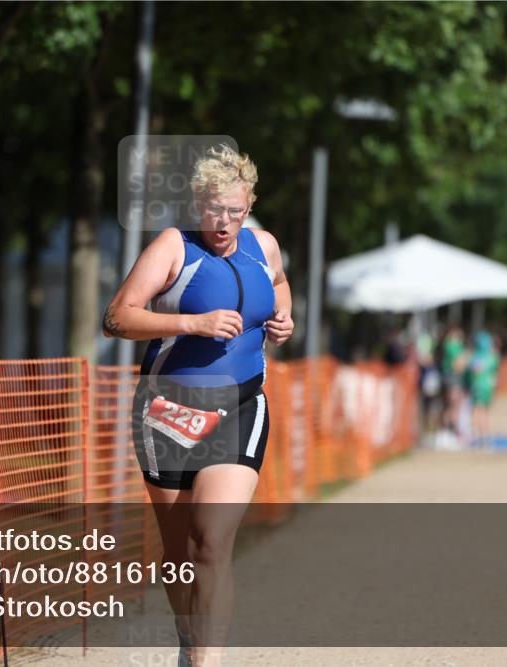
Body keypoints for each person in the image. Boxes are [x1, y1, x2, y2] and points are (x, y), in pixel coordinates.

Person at [102, 144, 292, 666]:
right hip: (168, 411)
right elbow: (117, 318)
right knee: (180, 558)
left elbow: (278, 287)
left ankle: (205, 661)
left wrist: (284, 320)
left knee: (212, 542)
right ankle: (192, 645)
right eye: (214, 210)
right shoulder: (173, 247)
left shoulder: (264, 246)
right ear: (197, 204)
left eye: (235, 210)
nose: (224, 222)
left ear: (249, 205)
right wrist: (192, 323)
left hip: (241, 406)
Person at [466, 331, 499, 449]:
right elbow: (494, 371)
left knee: (477, 411)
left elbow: (471, 370)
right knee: (484, 412)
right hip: (488, 387)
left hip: (478, 386)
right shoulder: (492, 357)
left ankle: (477, 436)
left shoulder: (475, 356)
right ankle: (484, 437)